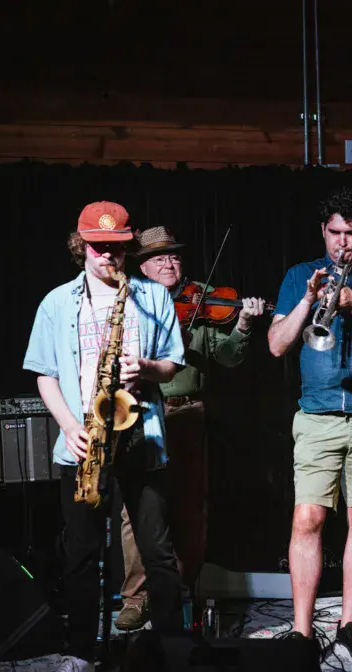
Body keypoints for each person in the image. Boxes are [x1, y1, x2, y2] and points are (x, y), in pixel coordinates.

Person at [23, 202, 188, 672]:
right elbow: (45, 373)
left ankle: (173, 651)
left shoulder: (151, 296)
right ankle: (80, 655)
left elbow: (172, 364)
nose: (108, 257)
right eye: (98, 247)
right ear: (81, 246)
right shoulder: (57, 302)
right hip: (84, 442)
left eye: (116, 248)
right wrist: (68, 426)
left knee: (157, 551)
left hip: (143, 438)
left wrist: (148, 368)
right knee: (80, 554)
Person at [267, 188, 352, 663]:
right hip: (318, 414)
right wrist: (310, 300)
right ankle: (302, 632)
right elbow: (276, 344)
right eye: (334, 232)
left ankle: (349, 626)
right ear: (322, 231)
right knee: (307, 518)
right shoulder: (298, 276)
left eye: (351, 233)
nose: (341, 243)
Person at [113, 225, 267, 630]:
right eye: (159, 257)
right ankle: (136, 598)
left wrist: (243, 326)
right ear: (143, 266)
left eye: (175, 256)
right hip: (142, 410)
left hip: (187, 411)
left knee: (189, 507)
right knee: (135, 509)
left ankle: (182, 592)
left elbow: (228, 357)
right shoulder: (129, 299)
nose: (169, 263)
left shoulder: (203, 297)